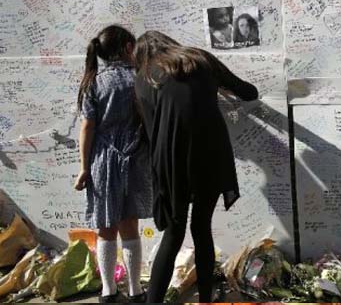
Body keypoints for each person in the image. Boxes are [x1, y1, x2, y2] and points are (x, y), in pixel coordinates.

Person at [133, 31, 258, 303]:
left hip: (171, 160)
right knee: (202, 227)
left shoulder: (144, 78)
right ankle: (205, 300)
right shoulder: (199, 59)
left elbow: (153, 130)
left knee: (174, 233)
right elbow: (249, 92)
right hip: (210, 153)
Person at [74, 25, 152, 303]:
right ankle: (135, 290)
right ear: (128, 48)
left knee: (104, 226)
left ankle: (108, 291)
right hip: (134, 158)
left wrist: (84, 168)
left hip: (102, 160)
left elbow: (87, 128)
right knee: (129, 225)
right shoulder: (140, 79)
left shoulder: (93, 81)